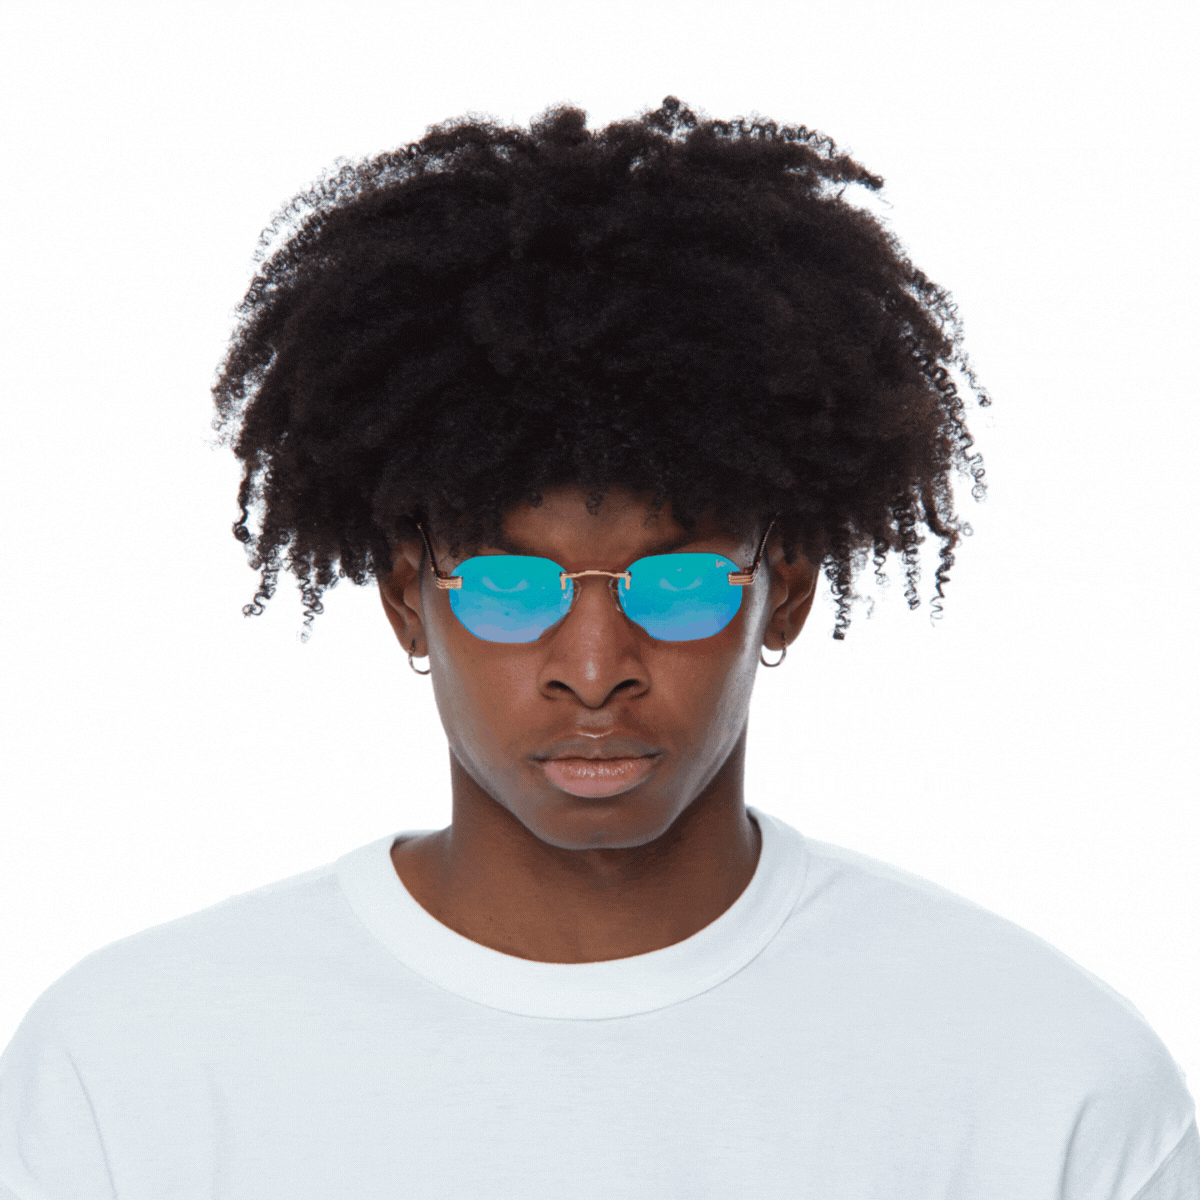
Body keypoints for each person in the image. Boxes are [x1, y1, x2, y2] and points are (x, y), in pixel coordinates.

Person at [0, 96, 1195, 1199]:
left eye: (676, 586)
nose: (592, 666)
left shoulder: (1047, 1077)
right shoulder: (134, 1065)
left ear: (782, 595)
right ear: (409, 601)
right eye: (509, 588)